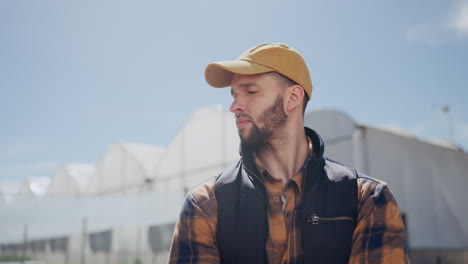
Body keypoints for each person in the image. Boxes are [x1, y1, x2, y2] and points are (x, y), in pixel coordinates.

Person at [168, 43, 409, 264]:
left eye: (250, 92)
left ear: (292, 97)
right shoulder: (204, 204)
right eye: (234, 95)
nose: (234, 106)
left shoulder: (367, 199)